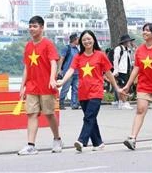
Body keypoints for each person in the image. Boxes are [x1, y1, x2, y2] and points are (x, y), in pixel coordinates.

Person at [57, 30, 121, 153]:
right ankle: (98, 143)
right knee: (91, 118)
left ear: (93, 40)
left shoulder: (100, 55)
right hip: (83, 92)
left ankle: (82, 140)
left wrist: (116, 88)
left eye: (89, 39)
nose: (87, 41)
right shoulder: (78, 57)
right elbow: (70, 70)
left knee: (89, 117)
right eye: (84, 39)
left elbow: (108, 73)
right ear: (81, 42)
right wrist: (62, 81)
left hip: (96, 91)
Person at [17, 16, 63, 155]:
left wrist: (52, 79)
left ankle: (57, 139)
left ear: (42, 28)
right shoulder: (28, 46)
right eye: (30, 26)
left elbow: (54, 62)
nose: (32, 29)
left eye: (35, 26)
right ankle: (31, 145)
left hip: (46, 86)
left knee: (49, 114)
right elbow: (27, 67)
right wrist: (22, 86)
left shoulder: (48, 44)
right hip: (32, 86)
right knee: (31, 114)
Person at [112, 34, 135, 110]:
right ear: (125, 42)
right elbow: (116, 60)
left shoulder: (128, 49)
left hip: (127, 70)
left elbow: (131, 59)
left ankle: (121, 102)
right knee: (121, 86)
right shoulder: (119, 49)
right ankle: (124, 102)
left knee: (125, 86)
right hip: (121, 71)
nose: (129, 42)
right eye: (128, 41)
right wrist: (116, 70)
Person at [58, 33, 80, 109]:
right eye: (78, 39)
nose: (79, 40)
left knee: (76, 89)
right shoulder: (67, 48)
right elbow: (62, 58)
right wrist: (59, 69)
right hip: (68, 72)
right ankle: (61, 103)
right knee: (65, 88)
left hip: (77, 72)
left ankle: (74, 104)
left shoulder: (77, 49)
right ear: (74, 39)